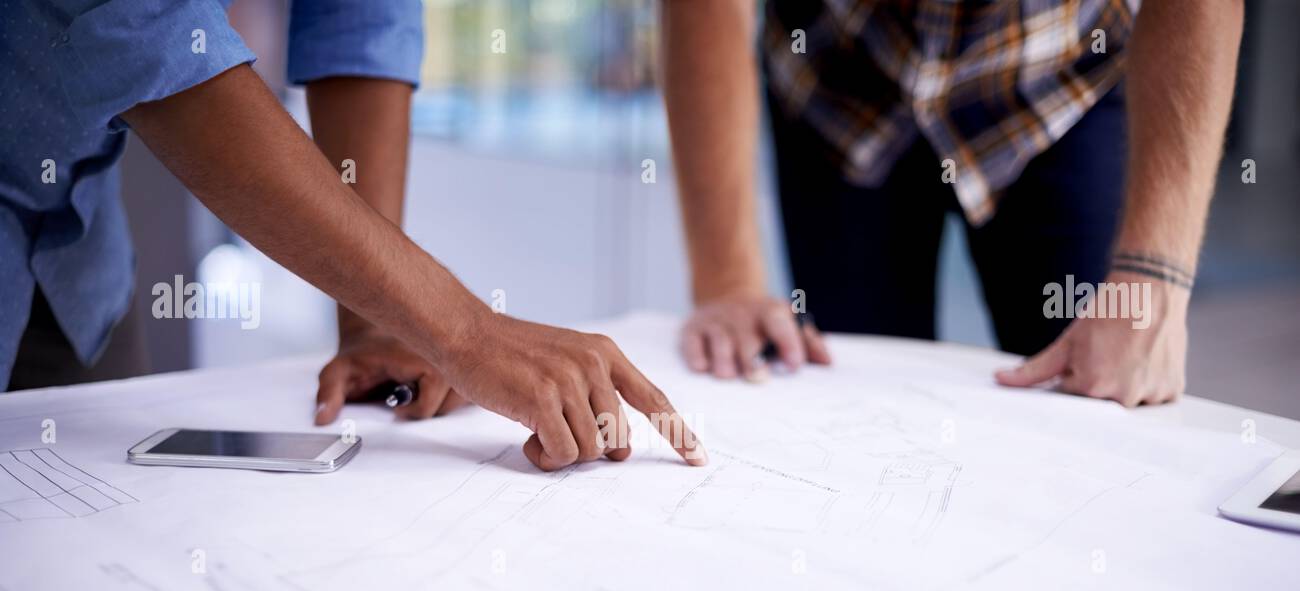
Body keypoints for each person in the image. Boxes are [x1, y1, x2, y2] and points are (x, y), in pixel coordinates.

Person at [0, 0, 704, 471]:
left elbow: (359, 16)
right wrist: (465, 332)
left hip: (74, 258)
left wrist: (374, 323)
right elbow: (138, 29)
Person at [659, 0, 1243, 408]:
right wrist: (728, 283)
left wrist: (1155, 273)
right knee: (848, 404)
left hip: (1060, 80)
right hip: (838, 82)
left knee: (1103, 389)